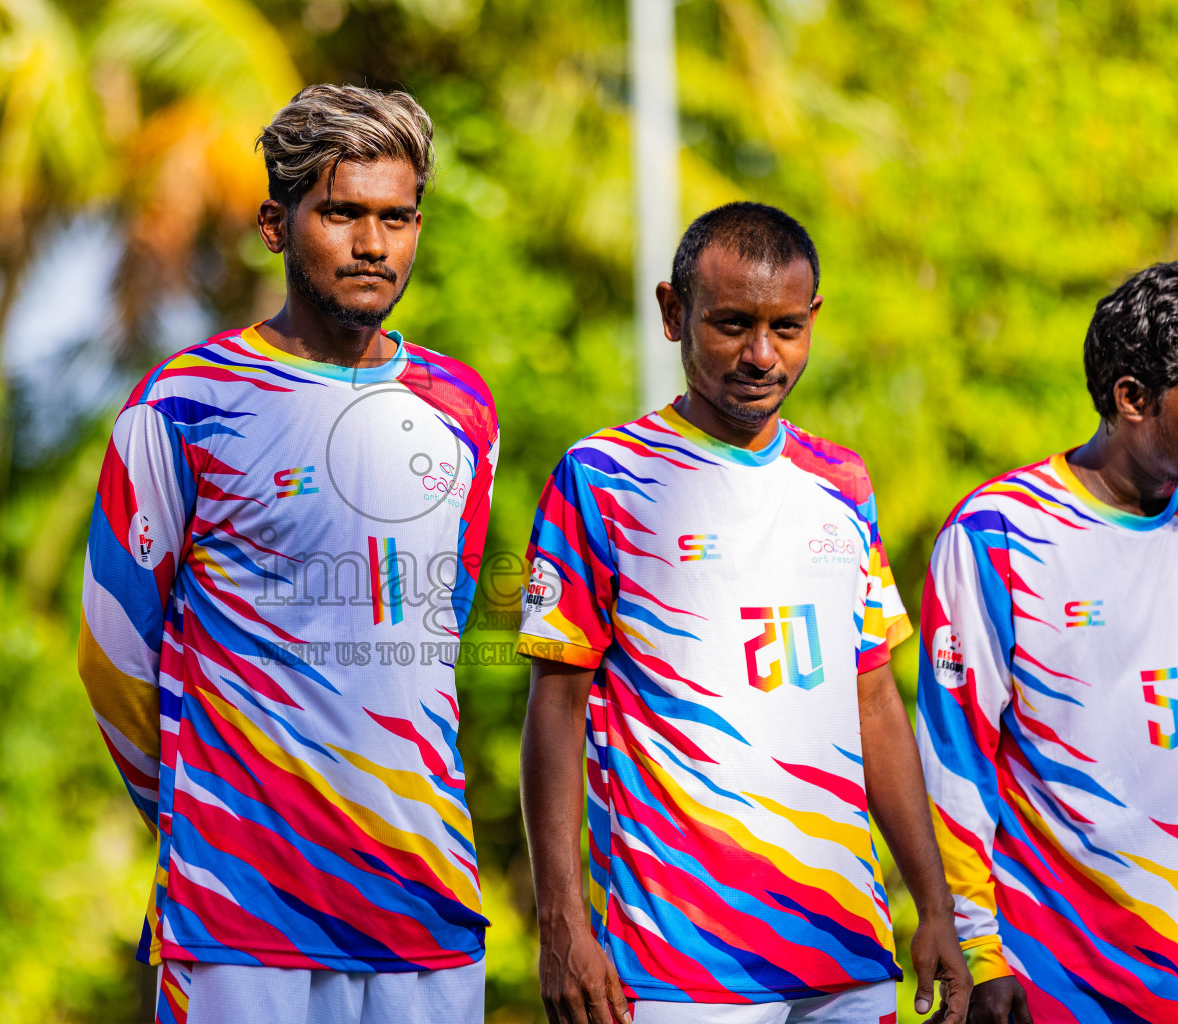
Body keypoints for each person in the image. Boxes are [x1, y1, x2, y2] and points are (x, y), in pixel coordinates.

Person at [77, 84, 499, 1024]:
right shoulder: (181, 404)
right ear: (276, 224)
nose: (371, 243)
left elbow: (441, 627)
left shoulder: (465, 409)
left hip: (424, 900)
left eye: (396, 218)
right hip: (239, 911)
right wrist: (202, 821)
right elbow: (112, 657)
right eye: (342, 212)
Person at [519, 202, 970, 1024]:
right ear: (671, 313)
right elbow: (556, 702)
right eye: (731, 324)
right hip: (674, 965)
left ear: (812, 321)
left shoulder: (844, 483)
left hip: (848, 952)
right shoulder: (601, 478)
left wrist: (936, 907)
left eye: (786, 328)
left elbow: (874, 703)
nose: (761, 355)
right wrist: (561, 920)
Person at [916, 263, 1178, 1024]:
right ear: (1132, 398)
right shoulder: (999, 536)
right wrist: (978, 950)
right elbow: (954, 756)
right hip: (1064, 980)